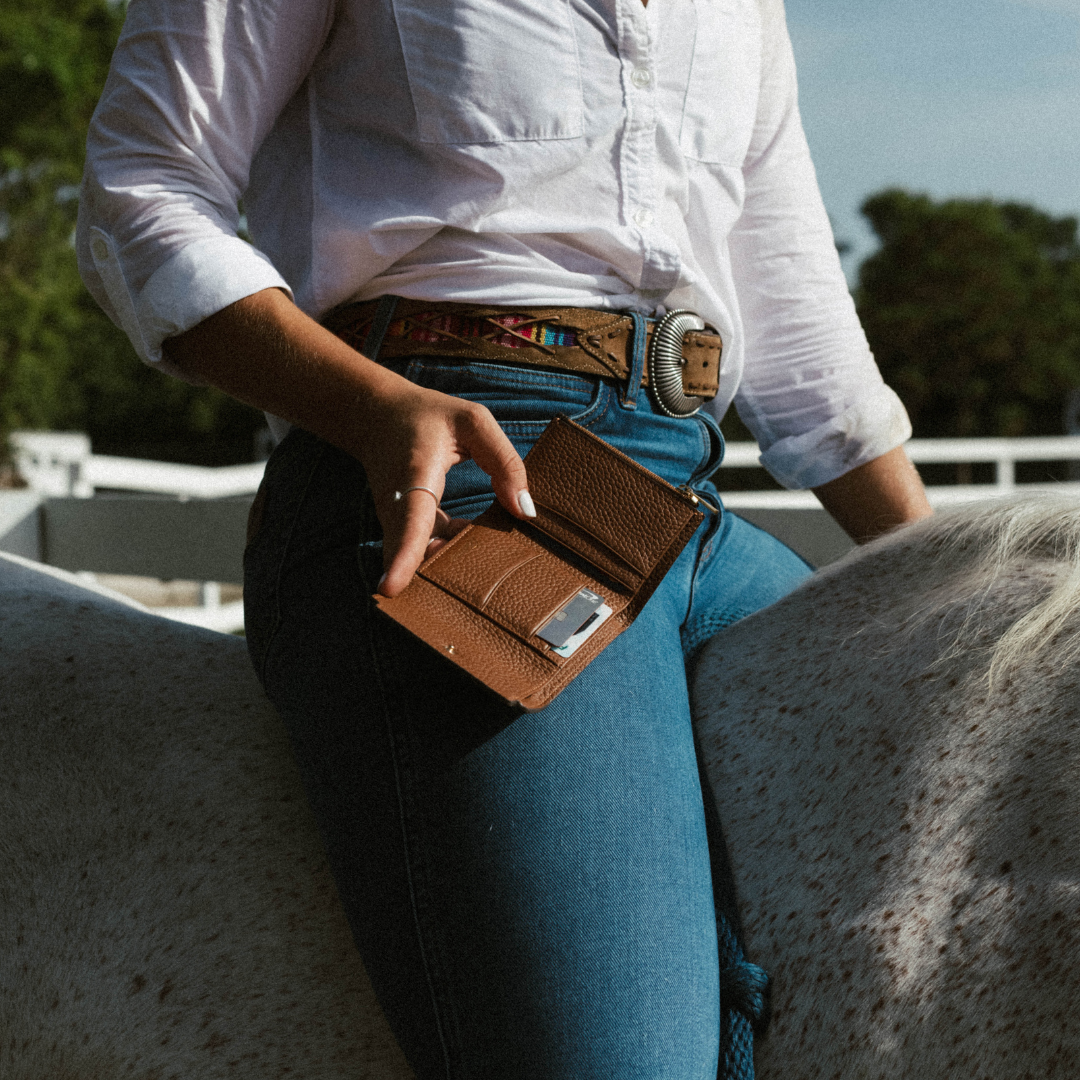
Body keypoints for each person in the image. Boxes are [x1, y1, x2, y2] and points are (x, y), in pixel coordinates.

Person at [77, 0, 932, 1076]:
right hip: (460, 482)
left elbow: (799, 323)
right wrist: (374, 408)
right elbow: (140, 191)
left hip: (680, 501)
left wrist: (946, 584)